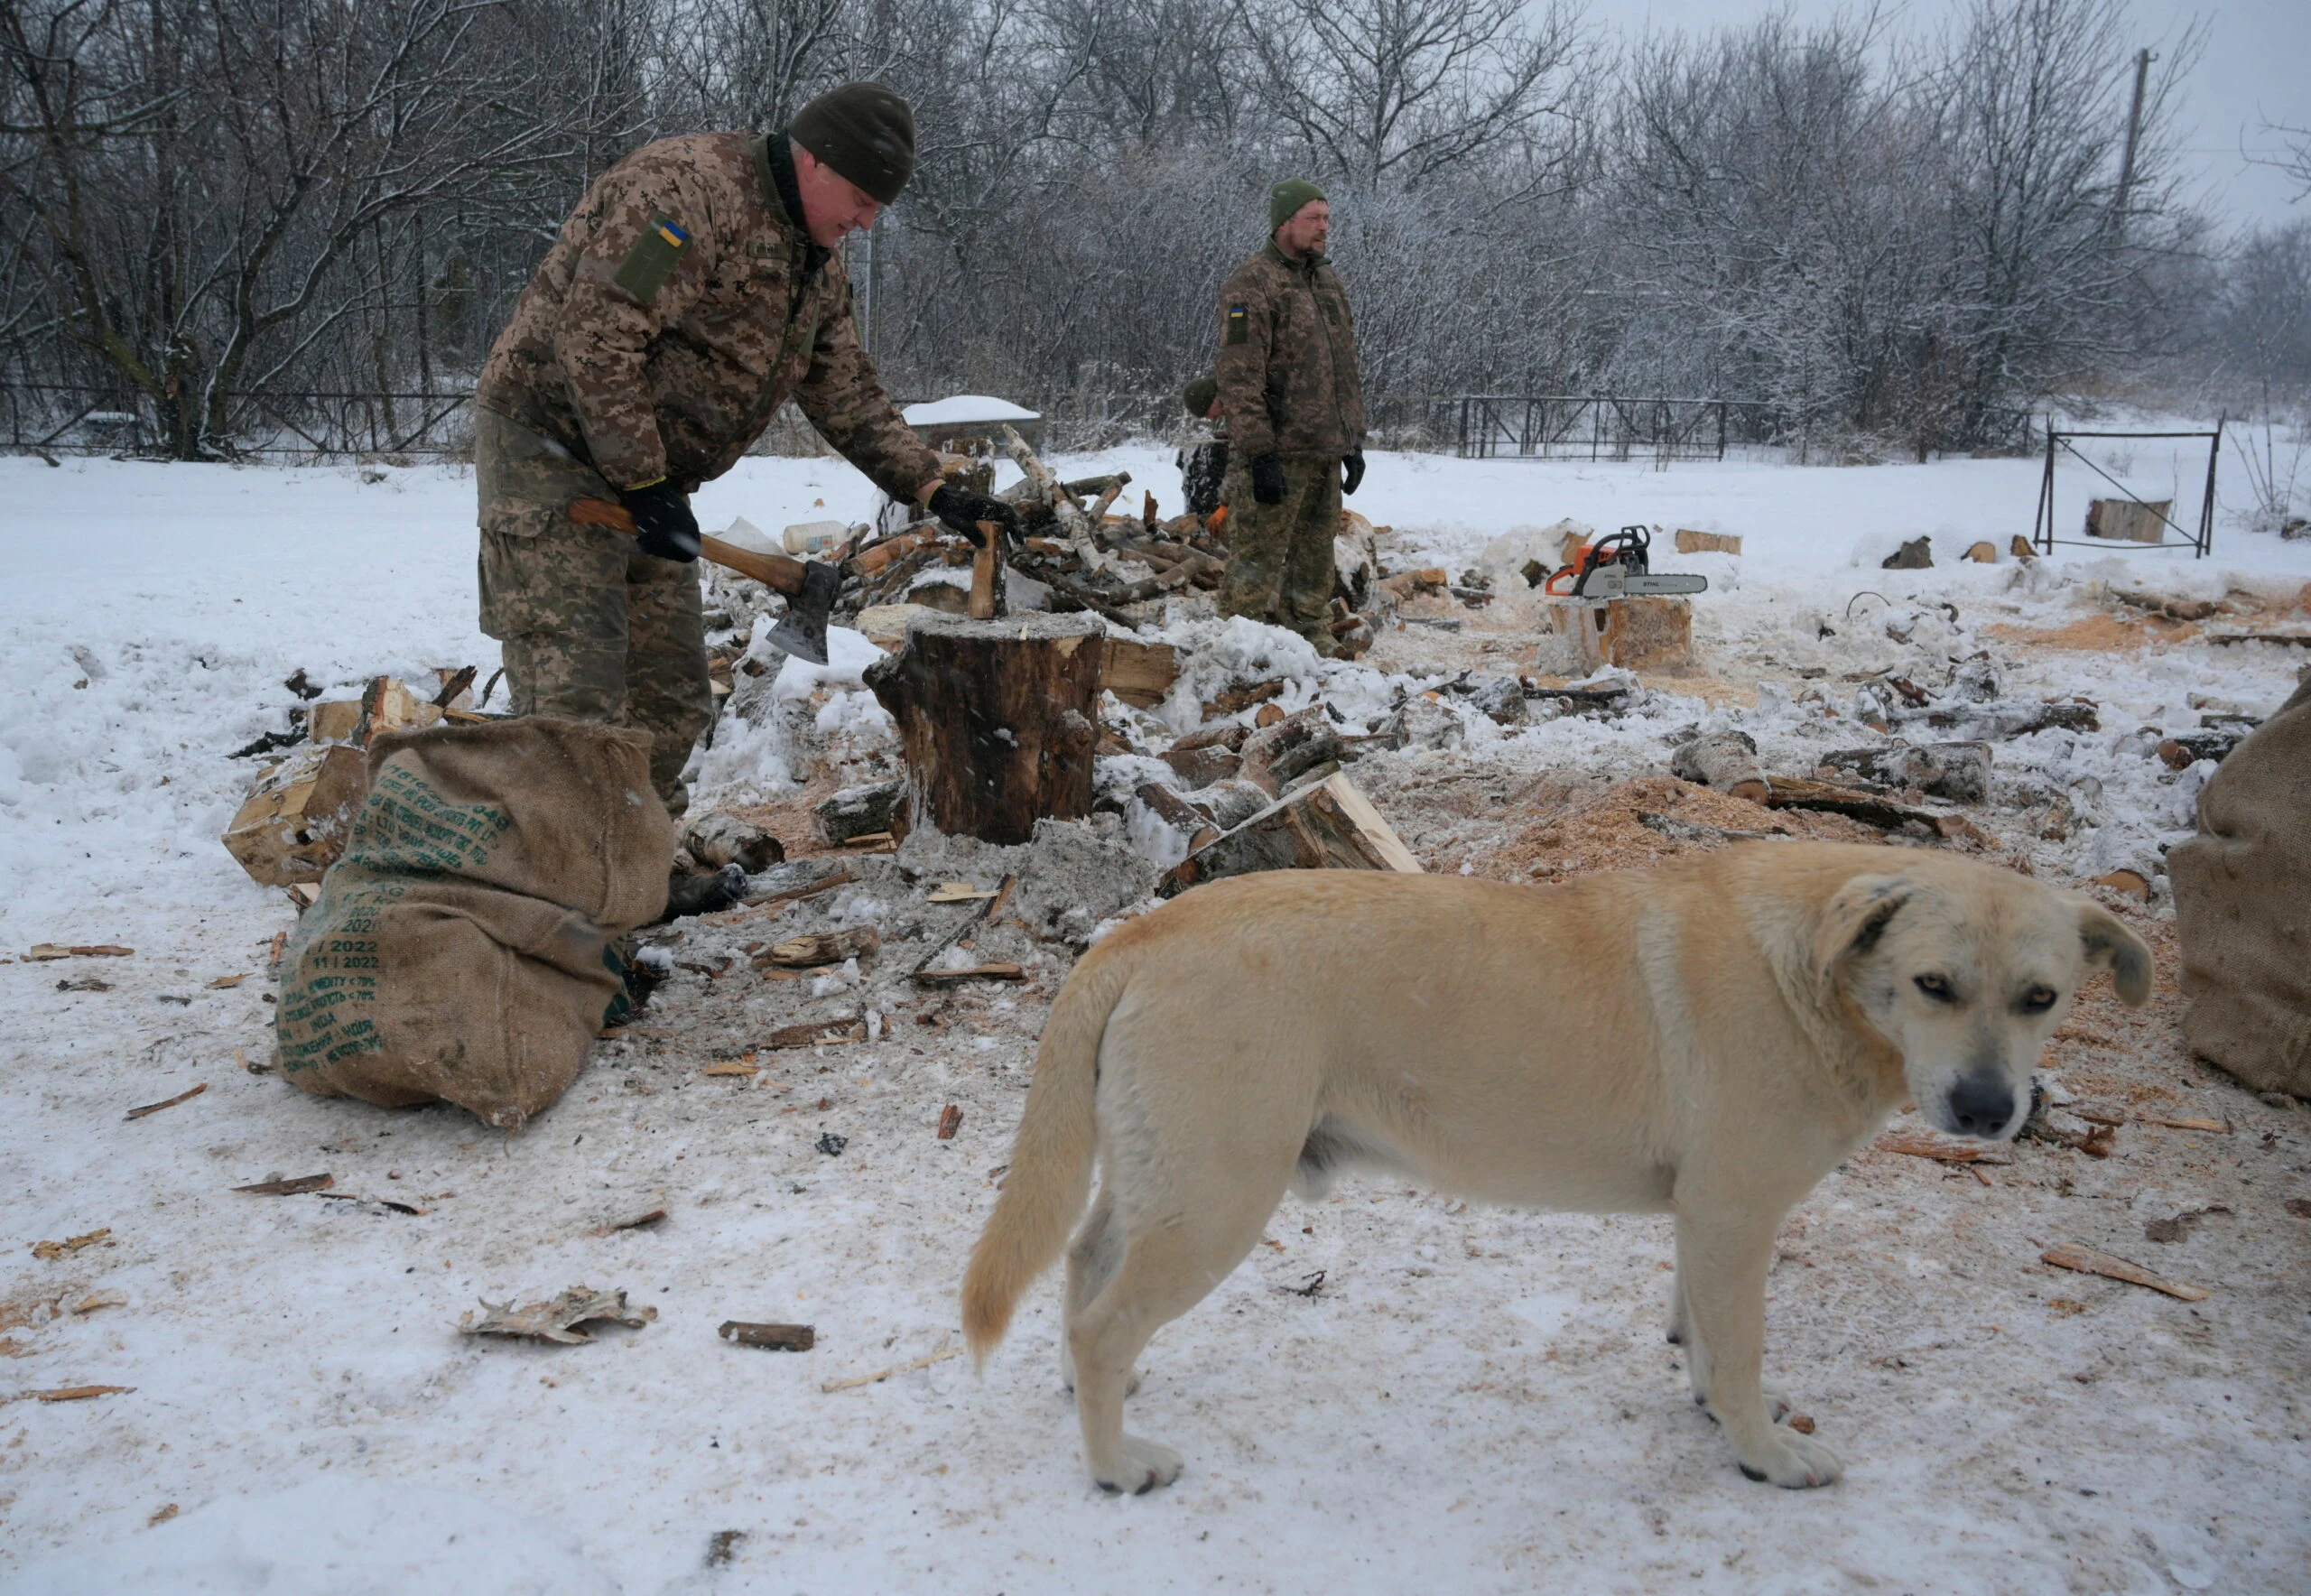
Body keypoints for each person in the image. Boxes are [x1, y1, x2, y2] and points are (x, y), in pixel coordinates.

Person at [472, 83, 1016, 841]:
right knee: (576, 700)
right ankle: (567, 920)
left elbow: (843, 385)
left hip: (648, 475)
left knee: (671, 697)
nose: (863, 222)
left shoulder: (812, 256)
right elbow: (596, 335)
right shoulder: (684, 193)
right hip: (553, 451)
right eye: (859, 198)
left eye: (876, 210)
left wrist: (932, 486)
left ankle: (636, 877)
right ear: (813, 159)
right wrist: (644, 482)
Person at [1211, 179, 1367, 653]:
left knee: (1316, 558)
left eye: (1326, 218)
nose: (1324, 228)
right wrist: (1258, 453)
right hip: (1276, 451)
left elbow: (1344, 367)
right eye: (1313, 219)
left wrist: (1352, 441)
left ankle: (1310, 643)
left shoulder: (1327, 281)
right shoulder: (1252, 284)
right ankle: (1235, 652)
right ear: (1284, 224)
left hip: (1324, 448)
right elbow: (1239, 377)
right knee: (1255, 561)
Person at [1175, 375, 1227, 519]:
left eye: (1206, 412)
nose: (1209, 418)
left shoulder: (1241, 399)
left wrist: (1225, 503)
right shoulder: (1224, 406)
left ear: (1213, 399)